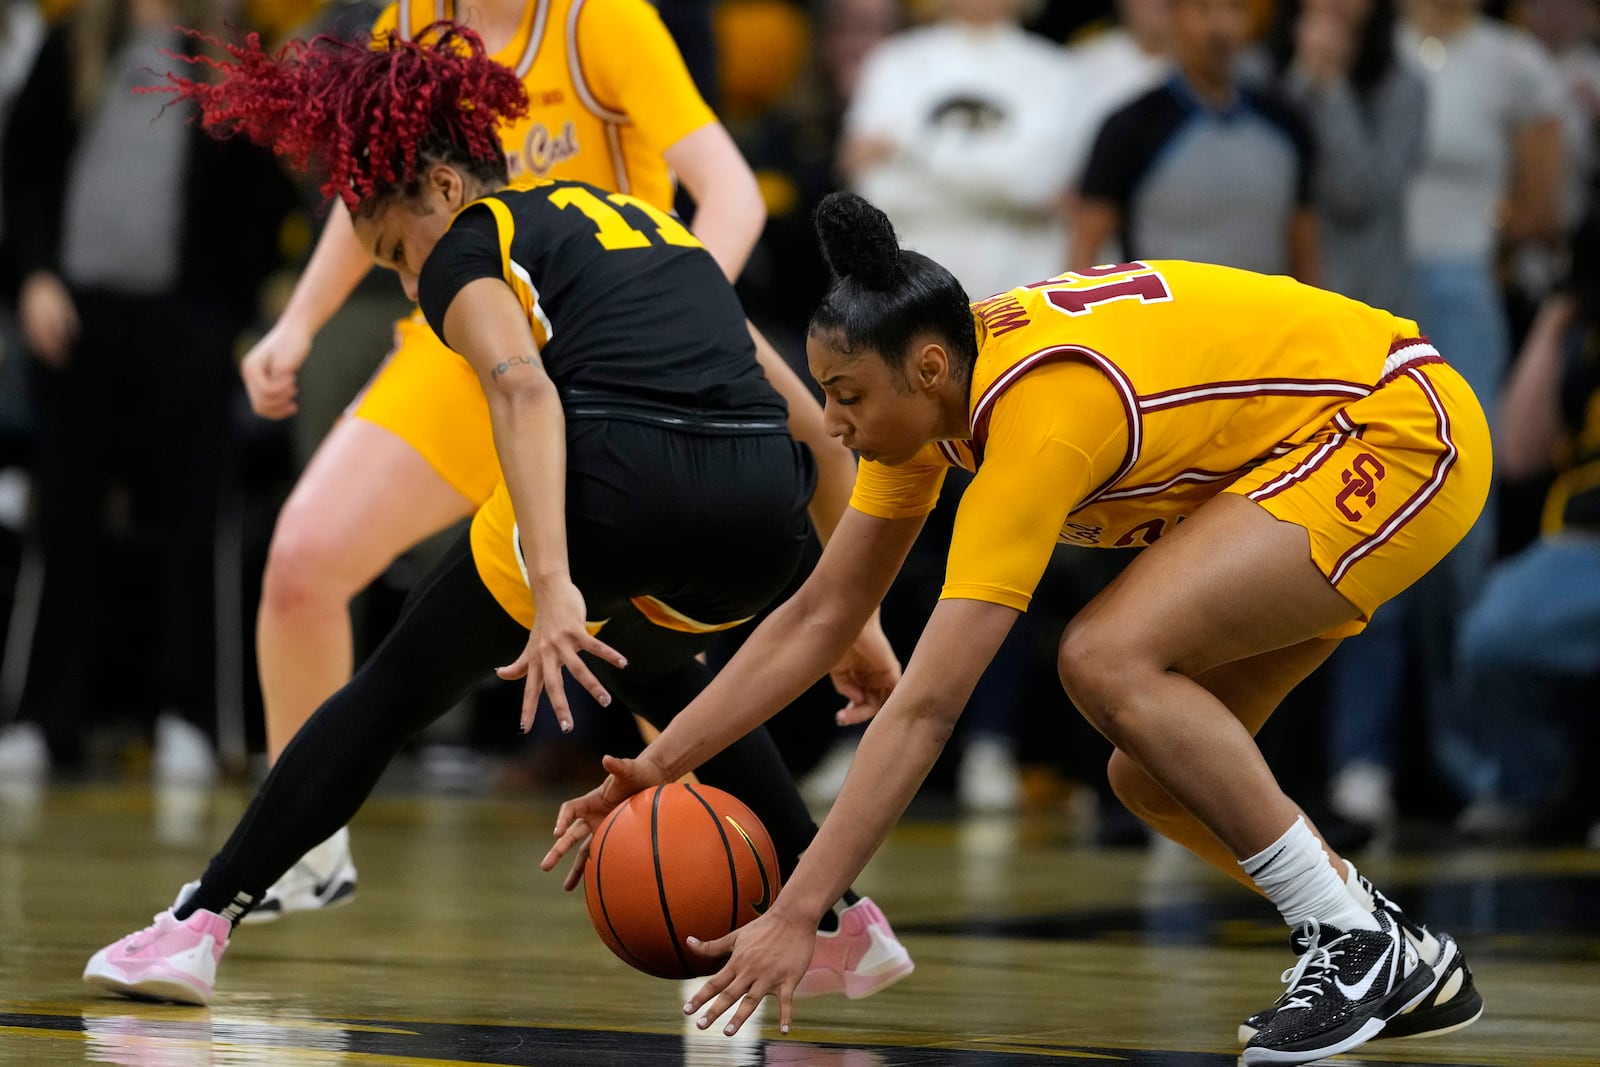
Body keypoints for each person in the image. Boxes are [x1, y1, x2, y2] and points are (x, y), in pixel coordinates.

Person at [544, 195, 1492, 1064]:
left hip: (1393, 426)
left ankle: (1353, 941)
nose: (830, 421)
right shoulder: (929, 396)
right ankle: (1385, 944)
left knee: (1103, 657)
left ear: (925, 367)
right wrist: (658, 762)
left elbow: (924, 711)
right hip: (1311, 441)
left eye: (846, 395)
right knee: (1156, 778)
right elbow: (821, 614)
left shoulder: (1037, 413)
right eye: (825, 392)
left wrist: (800, 912)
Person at [81, 24, 909, 1007]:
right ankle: (847, 920)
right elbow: (817, 430)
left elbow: (522, 395)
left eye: (393, 249)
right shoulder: (649, 226)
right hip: (757, 519)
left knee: (391, 688)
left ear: (438, 187)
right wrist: (852, 618)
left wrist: (556, 584)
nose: (403, 277)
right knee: (659, 665)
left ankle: (198, 921)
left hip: (616, 490)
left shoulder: (472, 243)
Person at [237, 0, 865, 921]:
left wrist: (673, 309)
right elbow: (368, 189)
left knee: (654, 648)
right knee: (300, 563)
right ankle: (302, 853)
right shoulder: (409, 23)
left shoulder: (599, 22)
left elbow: (728, 191)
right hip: (471, 345)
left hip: (610, 362)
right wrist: (299, 323)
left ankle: (727, 895)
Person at [0, 0, 293, 781]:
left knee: (197, 527)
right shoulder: (75, 46)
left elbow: (265, 202)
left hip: (186, 330)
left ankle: (192, 719)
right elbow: (21, 172)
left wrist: (220, 315)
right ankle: (43, 719)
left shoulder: (229, 54)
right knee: (62, 524)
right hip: (73, 322)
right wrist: (30, 277)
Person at [1070, 0, 1319, 283]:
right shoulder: (1131, 127)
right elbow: (1085, 249)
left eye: (1234, 10)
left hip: (1265, 322)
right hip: (1165, 322)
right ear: (1173, 16)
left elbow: (1305, 250)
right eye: (1203, 10)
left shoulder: (1286, 126)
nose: (1219, 27)